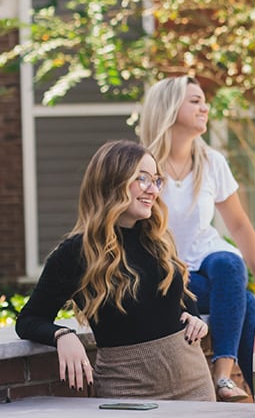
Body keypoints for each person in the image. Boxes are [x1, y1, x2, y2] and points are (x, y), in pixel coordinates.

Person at [16, 140, 215, 401]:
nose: (153, 190)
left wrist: (193, 316)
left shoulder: (158, 239)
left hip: (194, 383)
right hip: (126, 391)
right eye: (142, 178)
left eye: (156, 180)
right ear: (113, 181)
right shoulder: (76, 253)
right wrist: (63, 335)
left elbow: (178, 294)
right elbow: (29, 319)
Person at [139, 75, 255, 402]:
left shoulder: (211, 162)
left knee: (228, 262)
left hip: (207, 261)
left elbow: (238, 224)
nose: (205, 107)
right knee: (244, 301)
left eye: (203, 100)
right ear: (169, 108)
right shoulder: (142, 165)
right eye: (194, 101)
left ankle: (223, 375)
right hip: (167, 273)